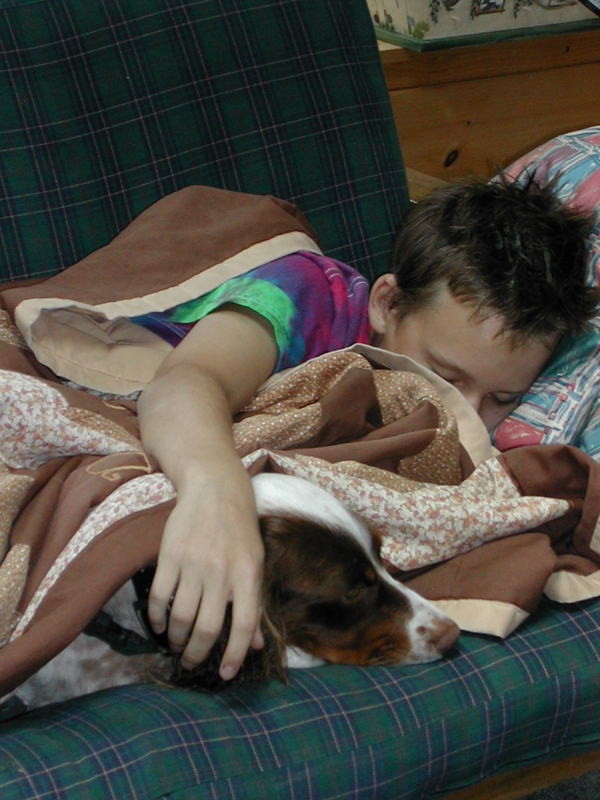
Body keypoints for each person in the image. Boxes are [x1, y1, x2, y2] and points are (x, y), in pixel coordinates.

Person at [136, 173, 598, 682]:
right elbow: (182, 385)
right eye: (445, 376)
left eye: (503, 400)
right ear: (388, 304)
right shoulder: (308, 295)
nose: (465, 411)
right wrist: (215, 492)